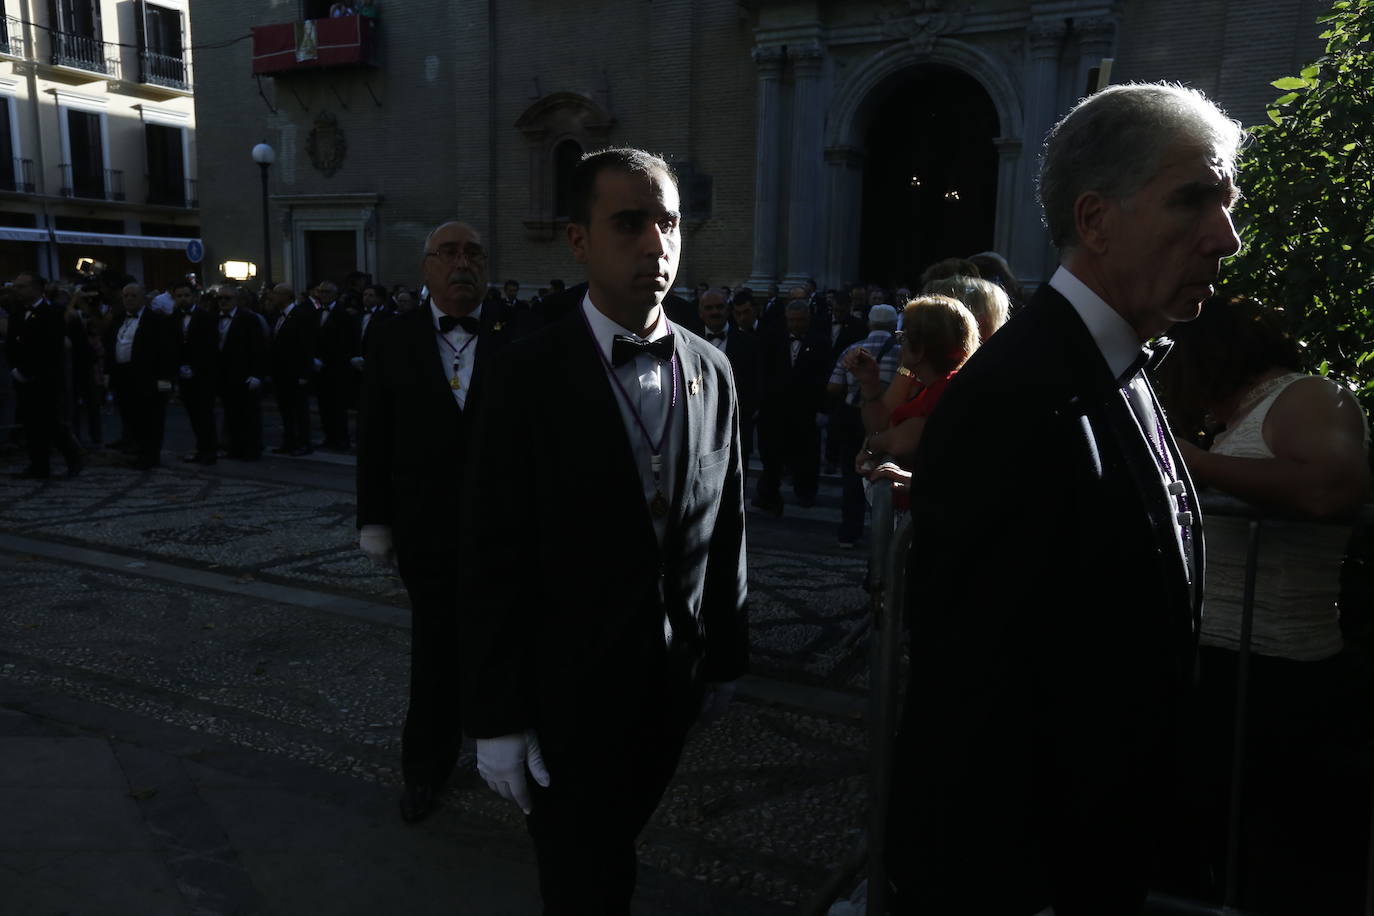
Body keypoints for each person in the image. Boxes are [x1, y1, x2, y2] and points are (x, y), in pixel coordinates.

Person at [886, 82, 1242, 915]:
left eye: (1226, 205)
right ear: (1095, 220)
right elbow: (969, 674)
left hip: (1101, 840)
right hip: (1028, 869)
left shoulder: (1122, 360)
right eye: (1192, 201)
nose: (1224, 238)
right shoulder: (1015, 394)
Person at [461, 148, 747, 912]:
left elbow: (727, 524)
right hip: (563, 695)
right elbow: (492, 551)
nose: (656, 245)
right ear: (578, 239)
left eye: (669, 224)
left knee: (611, 851)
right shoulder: (524, 373)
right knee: (584, 878)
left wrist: (723, 654)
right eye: (629, 223)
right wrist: (496, 716)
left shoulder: (712, 370)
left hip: (668, 690)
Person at [1157, 294, 1372, 913]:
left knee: (1272, 854)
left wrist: (1193, 463)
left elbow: (1331, 486)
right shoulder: (1241, 415)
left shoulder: (1304, 397)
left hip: (1276, 670)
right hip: (1228, 665)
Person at [357, 220, 518, 825]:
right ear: (426, 266)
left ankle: (512, 752)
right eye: (448, 253)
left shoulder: (519, 332)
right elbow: (374, 433)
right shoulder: (391, 338)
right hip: (425, 530)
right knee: (436, 650)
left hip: (504, 529)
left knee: (506, 641)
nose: (461, 263)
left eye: (474, 253)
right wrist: (374, 519)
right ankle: (425, 768)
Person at [850, 296, 979, 500]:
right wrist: (869, 383)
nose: (900, 343)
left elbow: (896, 440)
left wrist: (870, 446)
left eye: (903, 336)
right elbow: (881, 428)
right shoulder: (941, 387)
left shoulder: (944, 390)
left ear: (919, 350)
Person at [827, 302, 902, 543]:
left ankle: (849, 532)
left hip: (854, 417)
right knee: (886, 474)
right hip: (890, 420)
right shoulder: (902, 351)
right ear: (893, 326)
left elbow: (834, 386)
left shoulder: (853, 349)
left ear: (869, 323)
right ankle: (885, 533)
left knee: (852, 475)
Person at [753, 298, 829, 516]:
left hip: (806, 408)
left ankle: (806, 492)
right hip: (776, 408)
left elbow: (823, 375)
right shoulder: (773, 339)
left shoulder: (820, 341)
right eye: (793, 320)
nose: (797, 325)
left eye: (801, 320)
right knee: (772, 453)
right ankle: (769, 494)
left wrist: (822, 408)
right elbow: (764, 371)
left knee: (807, 454)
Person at [7, 272, 83, 478]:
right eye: (15, 286)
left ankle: (73, 458)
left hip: (45, 378)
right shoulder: (17, 312)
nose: (16, 290)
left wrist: (29, 370)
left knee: (52, 423)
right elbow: (13, 343)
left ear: (36, 289)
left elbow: (50, 347)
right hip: (23, 377)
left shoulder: (52, 312)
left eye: (21, 286)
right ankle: (38, 465)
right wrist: (16, 368)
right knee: (31, 425)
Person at [104, 283, 176, 470]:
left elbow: (166, 353)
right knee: (130, 416)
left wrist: (165, 382)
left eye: (133, 296)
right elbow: (110, 346)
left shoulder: (156, 320)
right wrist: (108, 373)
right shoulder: (119, 319)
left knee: (151, 419)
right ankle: (135, 451)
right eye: (125, 296)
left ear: (143, 298)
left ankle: (150, 456)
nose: (128, 299)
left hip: (148, 377)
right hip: (123, 376)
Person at [700, 289, 759, 473]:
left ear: (728, 310)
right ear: (700, 312)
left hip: (738, 425)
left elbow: (755, 383)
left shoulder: (749, 343)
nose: (714, 312)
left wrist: (746, 414)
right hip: (699, 426)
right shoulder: (687, 342)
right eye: (709, 308)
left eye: (719, 307)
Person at [214, 286, 268, 461]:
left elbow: (258, 348)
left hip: (244, 374)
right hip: (224, 375)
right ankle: (234, 448)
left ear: (236, 300)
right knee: (231, 414)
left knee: (249, 415)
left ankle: (251, 450)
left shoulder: (249, 319)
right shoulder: (214, 318)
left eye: (227, 298)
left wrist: (256, 374)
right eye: (220, 298)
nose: (223, 301)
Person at [267, 283, 316, 456]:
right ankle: (288, 442)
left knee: (299, 410)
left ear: (286, 296)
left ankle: (303, 442)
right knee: (285, 410)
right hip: (281, 373)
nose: (272, 297)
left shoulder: (301, 316)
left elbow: (306, 346)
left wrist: (304, 373)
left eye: (276, 294)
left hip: (295, 372)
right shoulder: (276, 316)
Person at [176, 281, 220, 464]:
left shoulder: (206, 317)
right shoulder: (172, 318)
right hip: (183, 373)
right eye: (179, 296)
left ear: (194, 297)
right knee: (192, 413)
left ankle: (209, 450)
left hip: (202, 374)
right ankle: (200, 447)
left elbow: (210, 347)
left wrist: (197, 367)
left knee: (205, 414)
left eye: (186, 295)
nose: (183, 299)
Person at [312, 280, 358, 451]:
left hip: (337, 369)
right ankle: (329, 437)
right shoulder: (316, 313)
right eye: (321, 291)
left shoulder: (344, 314)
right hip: (320, 369)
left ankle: (341, 439)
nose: (323, 295)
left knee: (338, 408)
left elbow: (346, 343)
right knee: (324, 407)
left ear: (335, 295)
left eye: (326, 292)